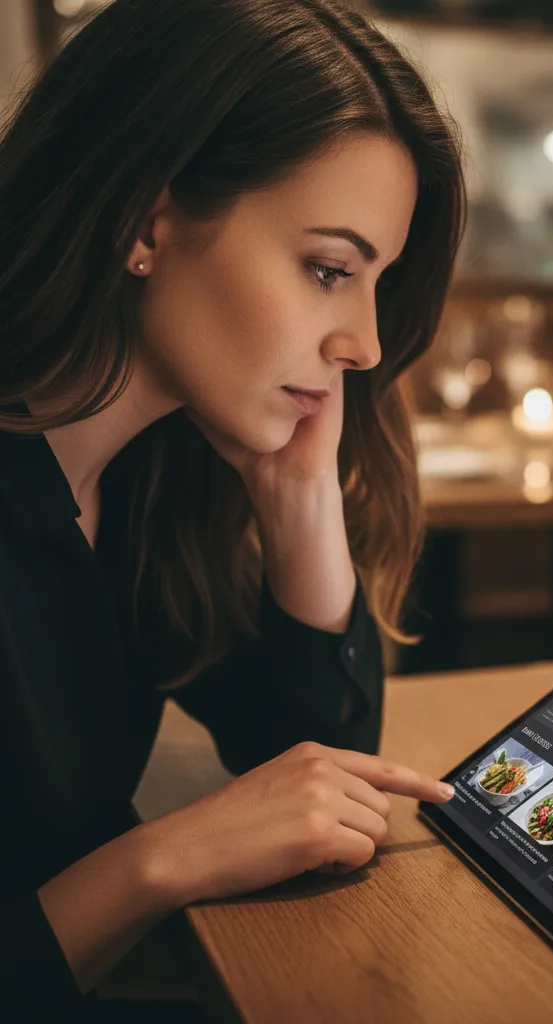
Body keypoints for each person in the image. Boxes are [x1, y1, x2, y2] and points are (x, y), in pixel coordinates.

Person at [0, 0, 465, 1017]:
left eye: (373, 284)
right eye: (329, 270)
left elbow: (312, 769)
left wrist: (301, 501)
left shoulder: (136, 484)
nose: (365, 344)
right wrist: (161, 859)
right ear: (144, 221)